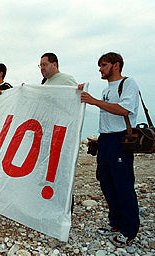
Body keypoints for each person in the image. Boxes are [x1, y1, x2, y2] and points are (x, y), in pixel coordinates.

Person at [80, 52, 140, 247]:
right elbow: (109, 115)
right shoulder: (107, 89)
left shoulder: (128, 83)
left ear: (116, 65)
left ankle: (129, 230)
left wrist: (95, 101)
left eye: (103, 65)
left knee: (123, 184)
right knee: (106, 183)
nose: (100, 69)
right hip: (106, 140)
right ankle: (115, 222)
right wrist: (99, 139)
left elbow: (124, 110)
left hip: (121, 140)